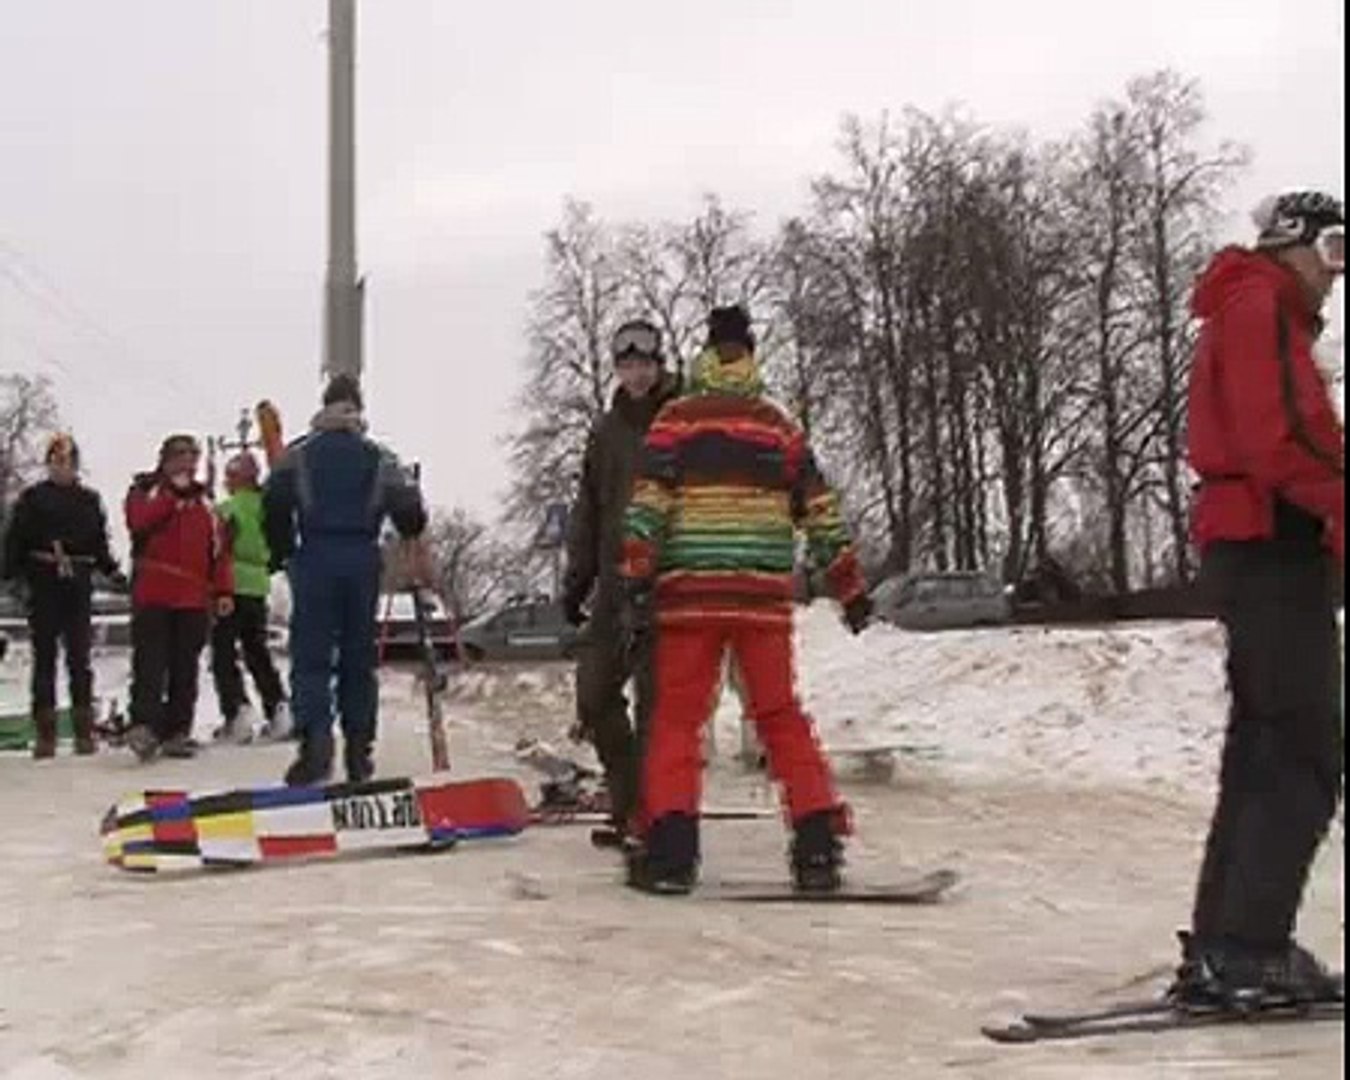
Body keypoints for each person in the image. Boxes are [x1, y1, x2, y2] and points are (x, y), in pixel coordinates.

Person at [620, 304, 871, 895]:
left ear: (705, 352)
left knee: (679, 721)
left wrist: (636, 574)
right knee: (779, 716)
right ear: (750, 351)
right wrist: (849, 586)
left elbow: (648, 505)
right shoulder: (778, 426)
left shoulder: (675, 421)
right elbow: (821, 510)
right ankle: (816, 850)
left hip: (690, 598)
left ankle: (673, 855)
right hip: (762, 598)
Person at [1173, 190, 1344, 1005]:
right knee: (1301, 754)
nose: (1337, 275)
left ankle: (1225, 941)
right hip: (1271, 547)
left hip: (1258, 544)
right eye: (1334, 250)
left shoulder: (1247, 307)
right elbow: (1291, 437)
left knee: (1263, 750)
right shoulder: (1260, 308)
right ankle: (1247, 947)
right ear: (1292, 245)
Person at [263, 374, 428, 786]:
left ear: (324, 406)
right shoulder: (379, 457)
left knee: (311, 658)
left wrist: (285, 551)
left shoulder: (299, 455)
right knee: (358, 660)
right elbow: (410, 513)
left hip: (315, 558)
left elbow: (274, 503)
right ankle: (359, 753)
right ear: (357, 408)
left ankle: (315, 744)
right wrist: (408, 522)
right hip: (362, 560)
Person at [560, 318, 681, 838]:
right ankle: (629, 796)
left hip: (667, 582)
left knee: (658, 704)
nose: (635, 375)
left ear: (658, 366)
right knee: (594, 694)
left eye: (643, 365)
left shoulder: (682, 423)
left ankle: (653, 817)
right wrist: (576, 579)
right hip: (613, 582)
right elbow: (588, 507)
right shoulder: (606, 433)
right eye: (626, 365)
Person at [1, 434, 124, 758]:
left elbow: (98, 543)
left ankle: (84, 728)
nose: (62, 467)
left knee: (79, 656)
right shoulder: (33, 498)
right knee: (44, 657)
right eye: (57, 460)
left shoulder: (88, 500)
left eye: (68, 461)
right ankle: (45, 732)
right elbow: (17, 540)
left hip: (77, 581)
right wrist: (9, 572)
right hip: (43, 580)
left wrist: (111, 571)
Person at [124, 434, 235, 760]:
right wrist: (172, 495)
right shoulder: (146, 490)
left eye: (192, 455)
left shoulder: (206, 502)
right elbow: (138, 522)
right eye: (180, 455)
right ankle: (145, 725)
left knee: (184, 666)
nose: (187, 462)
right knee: (150, 664)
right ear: (166, 459)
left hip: (192, 597)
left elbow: (219, 550)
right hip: (154, 592)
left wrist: (223, 589)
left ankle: (177, 729)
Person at [210, 451, 289, 743]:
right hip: (258, 586)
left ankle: (237, 712)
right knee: (257, 652)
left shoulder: (226, 510)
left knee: (223, 653)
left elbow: (219, 549)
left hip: (229, 584)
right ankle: (278, 708)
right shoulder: (265, 508)